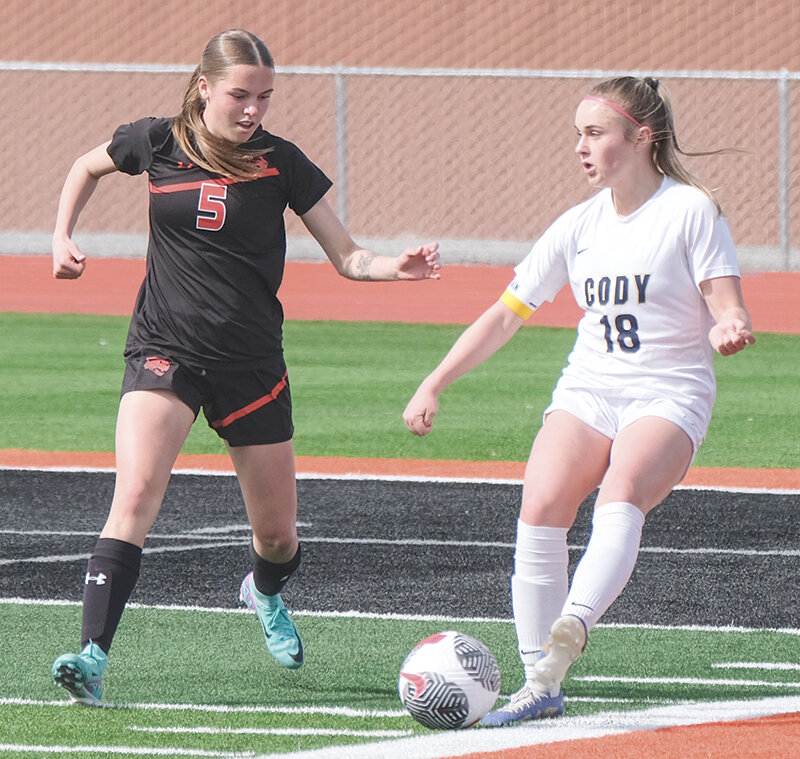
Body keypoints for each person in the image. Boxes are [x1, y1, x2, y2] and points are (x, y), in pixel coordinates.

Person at [50, 29, 440, 706]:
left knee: (279, 537)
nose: (253, 108)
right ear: (204, 87)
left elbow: (347, 256)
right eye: (240, 94)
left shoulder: (281, 162)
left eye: (264, 96)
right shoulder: (157, 140)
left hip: (252, 362)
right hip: (164, 348)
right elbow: (85, 166)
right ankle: (91, 656)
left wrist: (394, 269)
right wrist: (62, 232)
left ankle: (261, 590)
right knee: (136, 494)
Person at [403, 75, 754, 726]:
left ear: (641, 137)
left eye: (594, 133)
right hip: (590, 387)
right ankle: (541, 682)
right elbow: (505, 316)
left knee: (622, 490)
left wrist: (729, 323)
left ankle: (573, 627)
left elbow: (723, 297)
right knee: (540, 504)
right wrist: (434, 381)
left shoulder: (690, 210)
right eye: (577, 134)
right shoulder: (577, 225)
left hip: (668, 389)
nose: (580, 147)